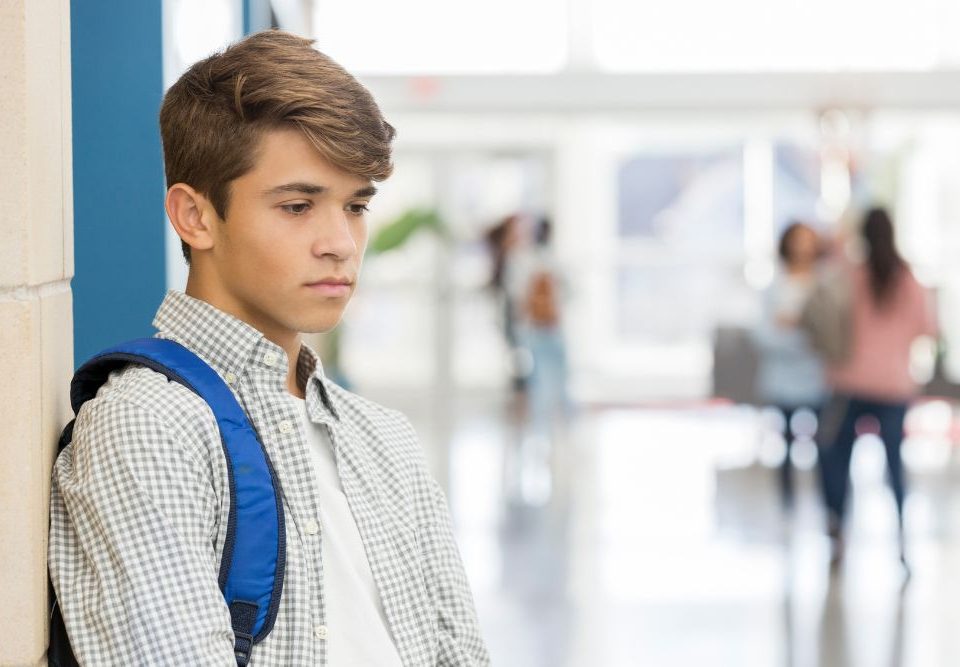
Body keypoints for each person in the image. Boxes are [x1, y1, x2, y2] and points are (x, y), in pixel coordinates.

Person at [49, 30, 489, 666]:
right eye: (297, 206)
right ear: (195, 217)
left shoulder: (382, 437)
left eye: (356, 205)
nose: (340, 241)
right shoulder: (148, 425)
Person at [817, 207, 937, 567]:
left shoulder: (851, 276)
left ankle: (838, 530)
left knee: (836, 459)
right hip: (894, 386)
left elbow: (827, 308)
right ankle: (902, 540)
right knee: (894, 465)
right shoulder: (908, 280)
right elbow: (927, 328)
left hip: (849, 383)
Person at [754, 222, 827, 509]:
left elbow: (828, 332)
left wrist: (797, 330)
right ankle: (787, 502)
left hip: (817, 376)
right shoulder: (775, 286)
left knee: (823, 443)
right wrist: (797, 339)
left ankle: (826, 500)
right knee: (784, 440)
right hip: (782, 375)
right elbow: (763, 332)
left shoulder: (823, 284)